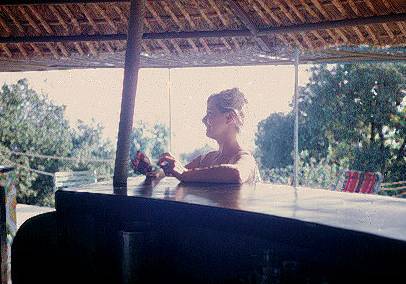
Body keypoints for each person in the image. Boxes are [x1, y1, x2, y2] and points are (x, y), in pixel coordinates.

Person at [132, 88, 260, 184]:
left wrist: (184, 173)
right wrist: (150, 169)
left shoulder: (245, 158)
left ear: (229, 118)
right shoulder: (205, 159)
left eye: (210, 114)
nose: (204, 120)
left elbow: (236, 174)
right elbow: (170, 175)